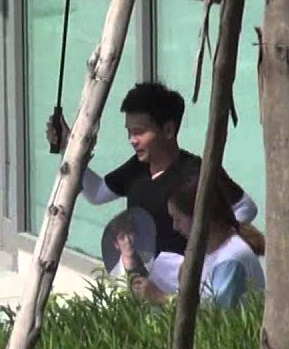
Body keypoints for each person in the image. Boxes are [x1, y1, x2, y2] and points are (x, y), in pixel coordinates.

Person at [46, 82, 257, 258]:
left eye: (139, 132)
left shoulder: (196, 171)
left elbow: (246, 206)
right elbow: (97, 193)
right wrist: (67, 147)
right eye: (129, 132)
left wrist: (210, 248)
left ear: (168, 130)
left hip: (182, 287)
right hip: (144, 283)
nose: (132, 140)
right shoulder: (136, 167)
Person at [129, 175, 266, 309]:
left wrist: (160, 297)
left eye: (178, 219)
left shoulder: (230, 260)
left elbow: (213, 316)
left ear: (201, 217)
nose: (175, 227)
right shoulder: (210, 253)